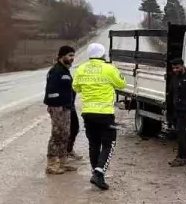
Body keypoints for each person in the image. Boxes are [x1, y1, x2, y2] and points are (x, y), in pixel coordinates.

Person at [72, 42, 127, 190]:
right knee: (109, 143)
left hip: (88, 113)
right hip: (105, 114)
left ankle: (96, 173)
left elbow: (75, 87)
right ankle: (98, 172)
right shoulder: (109, 68)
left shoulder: (81, 69)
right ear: (103, 54)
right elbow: (122, 84)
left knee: (94, 143)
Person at [43, 45, 78, 175]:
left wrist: (69, 104)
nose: (72, 58)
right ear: (61, 56)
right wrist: (58, 105)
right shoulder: (56, 71)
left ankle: (63, 162)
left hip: (66, 107)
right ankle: (51, 164)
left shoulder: (65, 70)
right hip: (58, 108)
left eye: (73, 56)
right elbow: (51, 92)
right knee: (57, 135)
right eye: (69, 55)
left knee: (65, 134)